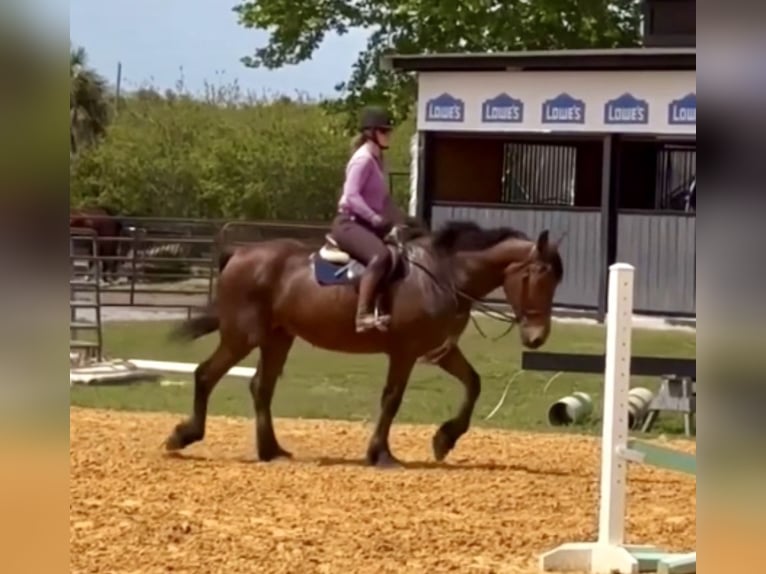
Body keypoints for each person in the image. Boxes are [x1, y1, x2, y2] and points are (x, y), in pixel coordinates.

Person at [330, 105, 406, 333]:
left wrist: (405, 221)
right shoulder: (362, 160)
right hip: (349, 223)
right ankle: (362, 315)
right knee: (380, 256)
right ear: (371, 133)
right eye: (384, 131)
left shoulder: (377, 160)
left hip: (365, 224)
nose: (388, 135)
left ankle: (384, 311)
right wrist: (374, 218)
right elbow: (351, 195)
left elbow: (385, 201)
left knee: (401, 252)